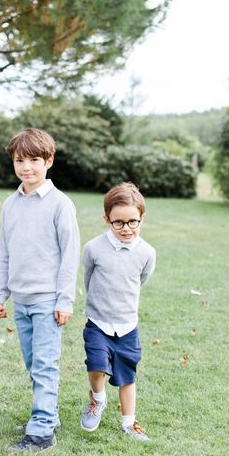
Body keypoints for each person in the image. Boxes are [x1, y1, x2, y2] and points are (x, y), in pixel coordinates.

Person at [0, 128, 80, 453]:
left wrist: (65, 300)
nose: (26, 167)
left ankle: (41, 431)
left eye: (34, 160)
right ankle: (48, 415)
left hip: (48, 302)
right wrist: (0, 293)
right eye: (20, 160)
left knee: (44, 364)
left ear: (49, 161)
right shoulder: (10, 204)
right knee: (34, 364)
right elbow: (5, 251)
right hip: (22, 302)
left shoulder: (60, 204)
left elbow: (70, 255)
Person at [79, 182, 156, 441]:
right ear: (106, 219)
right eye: (119, 223)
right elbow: (88, 280)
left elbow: (141, 280)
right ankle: (98, 398)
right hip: (98, 322)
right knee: (97, 366)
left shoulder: (147, 252)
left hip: (127, 326)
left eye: (133, 222)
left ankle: (129, 423)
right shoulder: (93, 248)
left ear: (142, 218)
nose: (126, 229)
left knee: (127, 375)